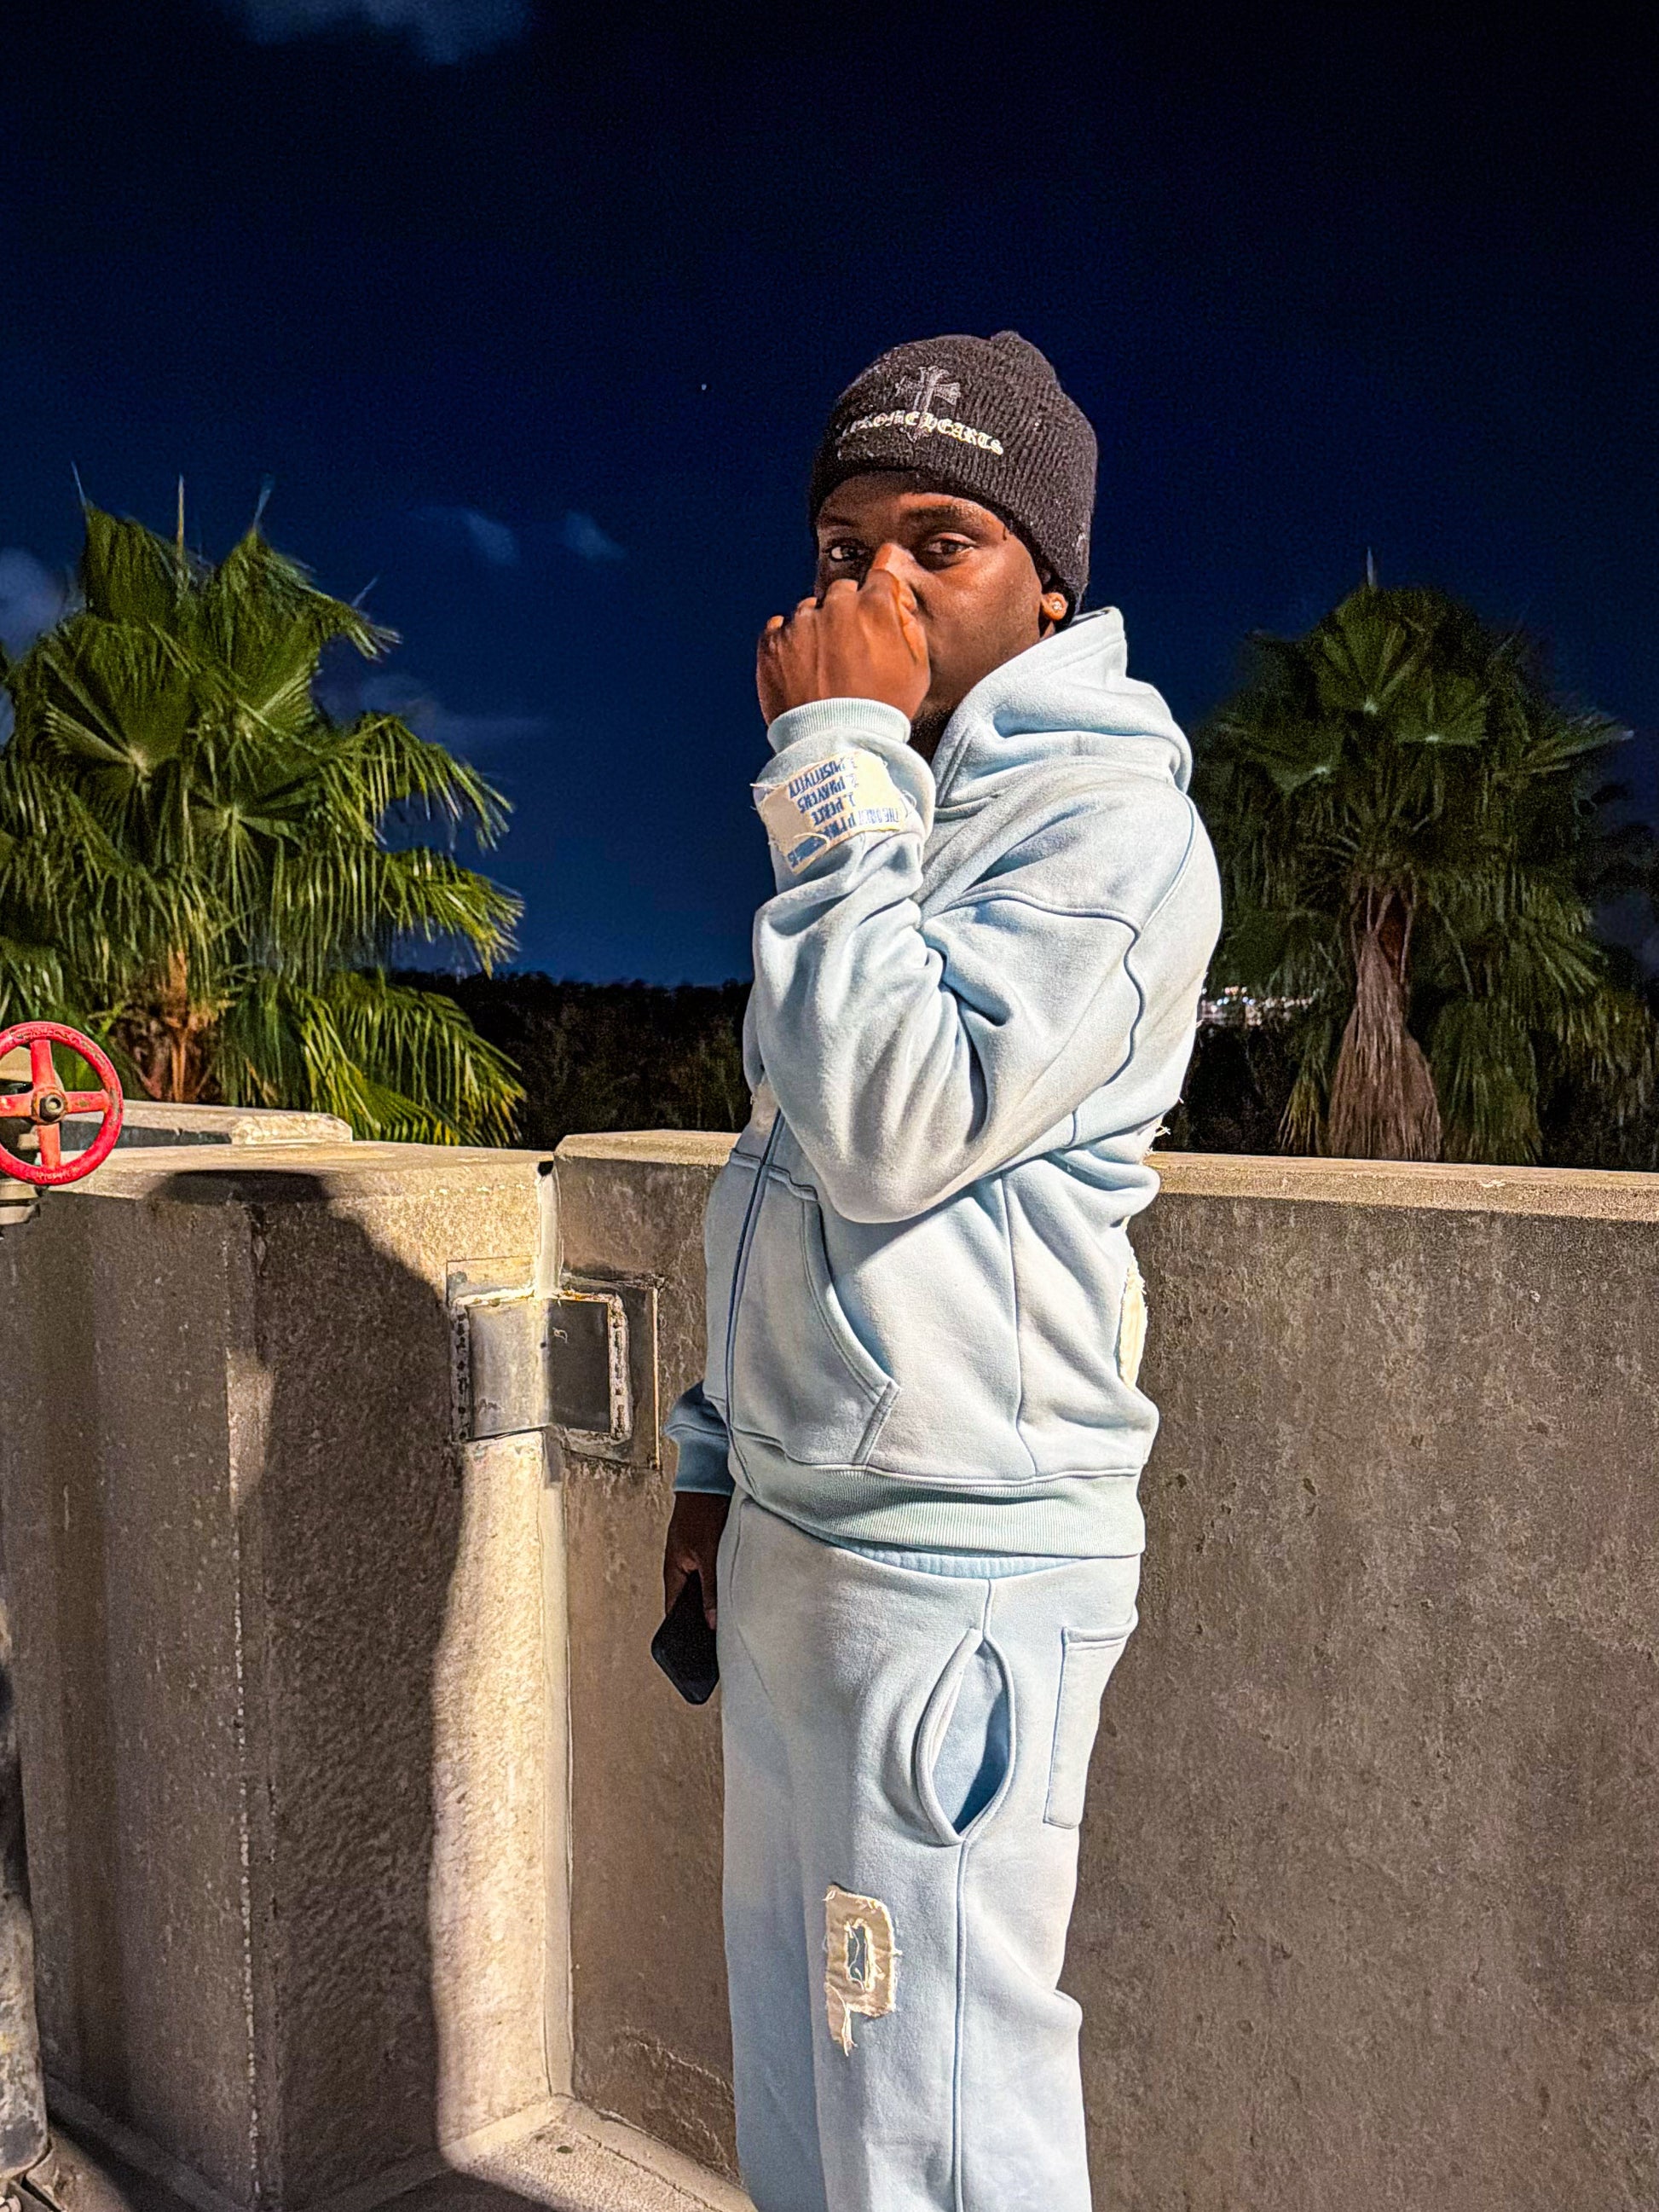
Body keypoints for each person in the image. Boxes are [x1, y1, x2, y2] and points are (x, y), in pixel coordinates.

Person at [662, 331, 1221, 2212]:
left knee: (941, 2121)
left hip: (955, 1572)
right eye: (843, 549)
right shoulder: (905, 812)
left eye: (938, 539)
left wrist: (829, 762)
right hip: (800, 1539)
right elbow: (784, 1166)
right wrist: (712, 1457)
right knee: (807, 2076)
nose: (877, 585)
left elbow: (893, 1122)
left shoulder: (1116, 832)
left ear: (1048, 585)